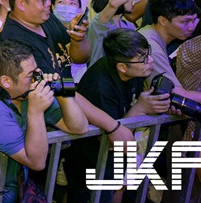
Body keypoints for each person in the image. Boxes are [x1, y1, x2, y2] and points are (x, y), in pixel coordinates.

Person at [0, 40, 88, 203]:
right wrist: (36, 112)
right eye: (31, 74)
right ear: (6, 81)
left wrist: (60, 91)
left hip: (10, 192)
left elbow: (80, 127)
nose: (37, 77)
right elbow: (37, 162)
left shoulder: (27, 93)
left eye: (37, 70)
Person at [65, 29, 171, 203]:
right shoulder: (99, 87)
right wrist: (139, 109)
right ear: (122, 67)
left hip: (114, 161)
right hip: (92, 164)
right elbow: (111, 139)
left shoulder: (134, 71)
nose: (150, 61)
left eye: (149, 53)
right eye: (143, 58)